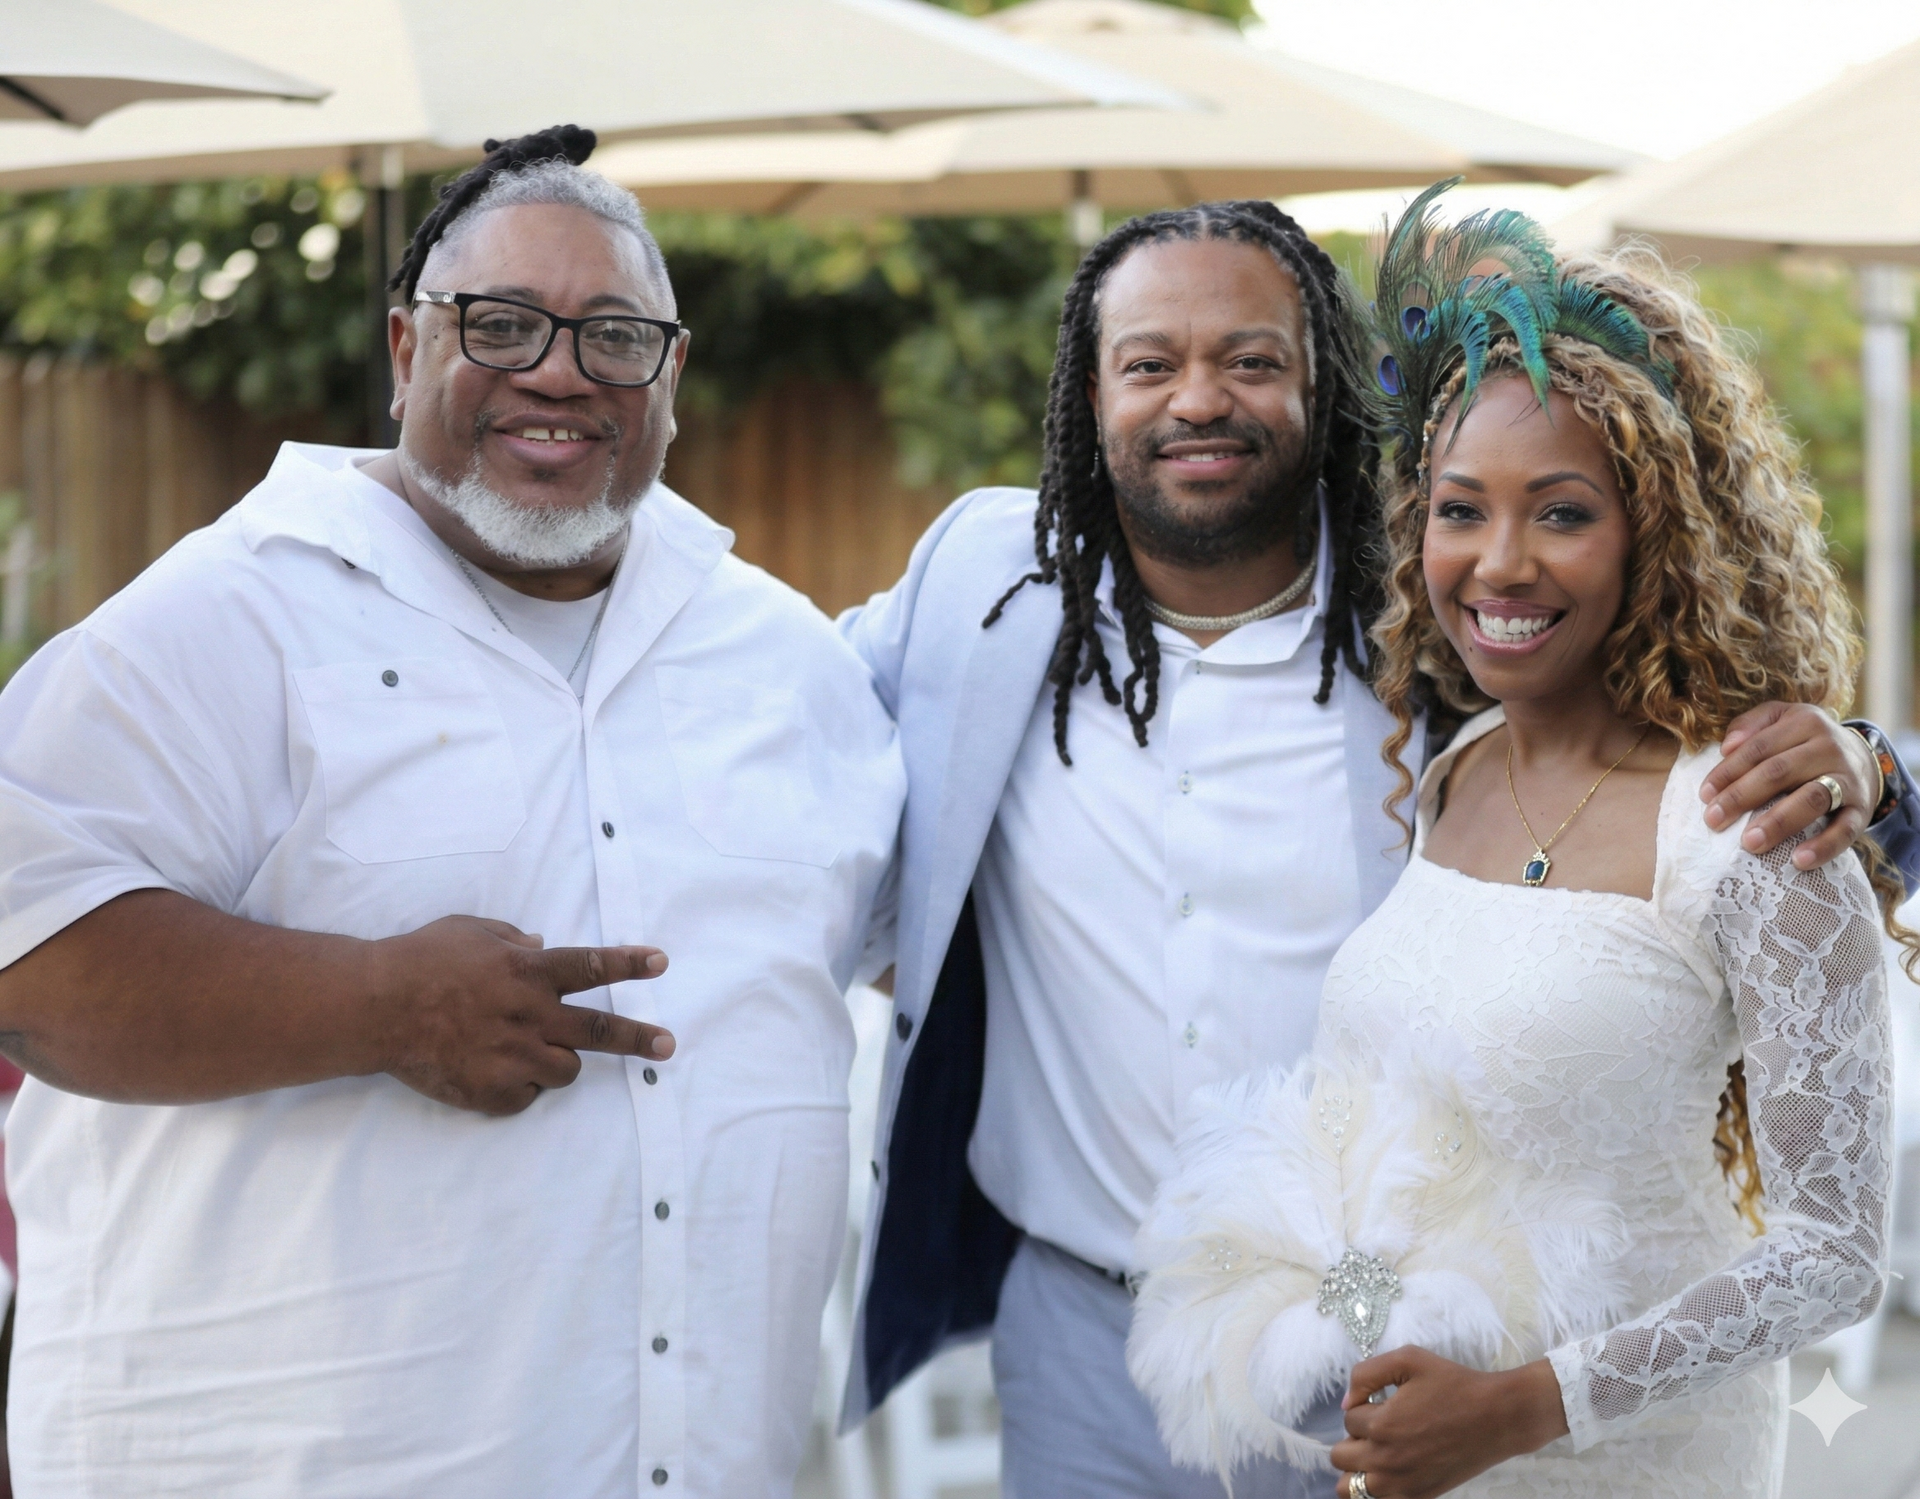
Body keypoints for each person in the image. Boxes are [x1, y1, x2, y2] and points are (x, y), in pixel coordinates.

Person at [838, 196, 1919, 1498]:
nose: (1199, 399)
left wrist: (1872, 763)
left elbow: (1674, 733)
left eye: (1250, 359)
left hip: (1407, 1361)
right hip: (1081, 1336)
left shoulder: (1429, 653)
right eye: (1149, 362)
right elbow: (778, 749)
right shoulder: (982, 586)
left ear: (1321, 385)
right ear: (1089, 389)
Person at [0, 126, 902, 1497]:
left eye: (613, 333)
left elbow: (922, 947)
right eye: (501, 323)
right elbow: (28, 962)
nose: (558, 369)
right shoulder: (225, 619)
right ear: (408, 349)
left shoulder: (789, 663)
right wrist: (377, 1003)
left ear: (672, 373)